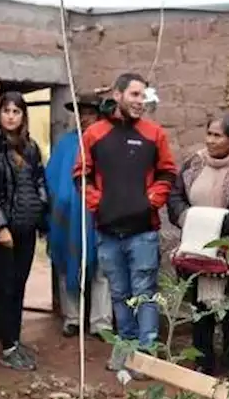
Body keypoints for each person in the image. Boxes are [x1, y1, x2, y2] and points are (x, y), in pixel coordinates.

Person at [74, 72, 179, 373]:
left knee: (144, 291)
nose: (140, 101)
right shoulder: (94, 134)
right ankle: (126, 348)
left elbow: (167, 173)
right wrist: (101, 204)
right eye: (134, 94)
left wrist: (150, 202)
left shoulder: (154, 134)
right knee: (120, 293)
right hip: (107, 232)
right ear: (117, 95)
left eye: (143, 95)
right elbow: (81, 175)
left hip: (143, 231)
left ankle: (145, 356)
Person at [166, 113, 229, 376]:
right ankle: (203, 360)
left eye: (217, 135)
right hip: (196, 248)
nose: (210, 140)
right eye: (209, 133)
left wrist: (215, 225)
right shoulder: (194, 163)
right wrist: (189, 218)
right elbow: (175, 197)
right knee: (201, 308)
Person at [0, 92, 49, 371]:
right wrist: (0, 226)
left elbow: (39, 180)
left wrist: (41, 215)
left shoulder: (30, 147)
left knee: (18, 288)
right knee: (4, 288)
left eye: (17, 111)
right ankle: (8, 347)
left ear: (23, 116)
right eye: (7, 111)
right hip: (1, 234)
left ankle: (15, 340)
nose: (11, 116)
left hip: (25, 229)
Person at [46, 93, 112, 339]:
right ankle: (72, 318)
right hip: (68, 216)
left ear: (100, 115)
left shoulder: (106, 142)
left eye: (90, 113)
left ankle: (101, 322)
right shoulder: (66, 144)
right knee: (67, 264)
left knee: (101, 269)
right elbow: (52, 178)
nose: (85, 118)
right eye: (81, 113)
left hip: (99, 214)